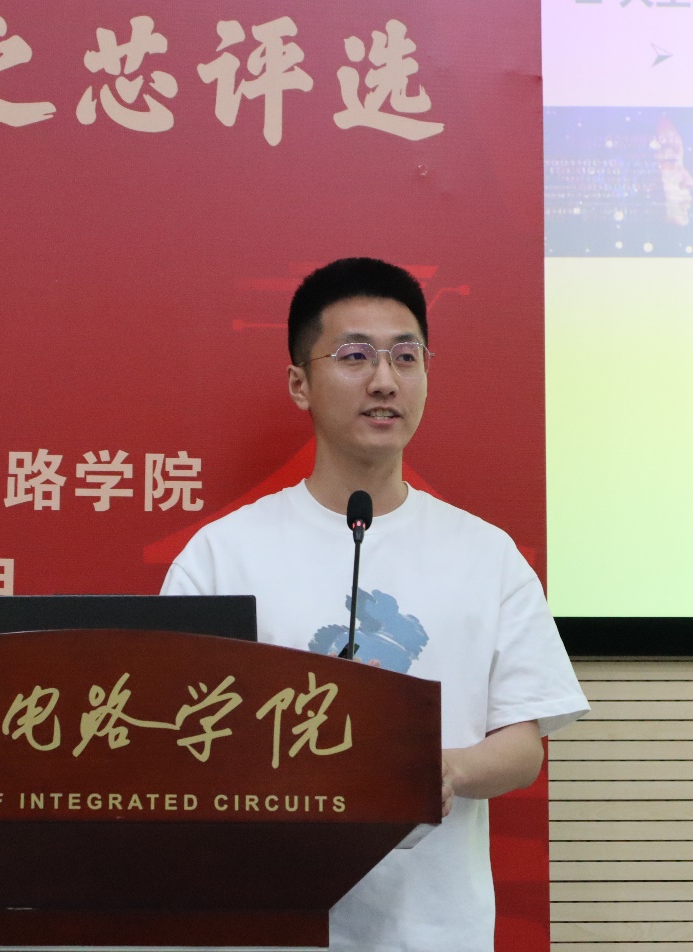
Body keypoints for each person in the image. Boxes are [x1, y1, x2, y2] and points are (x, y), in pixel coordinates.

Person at [160, 257, 588, 951]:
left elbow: (521, 747)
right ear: (300, 384)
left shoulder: (487, 554)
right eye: (354, 356)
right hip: (267, 921)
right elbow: (175, 739)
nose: (385, 381)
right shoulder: (222, 555)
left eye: (405, 357)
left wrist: (443, 770)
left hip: (433, 929)